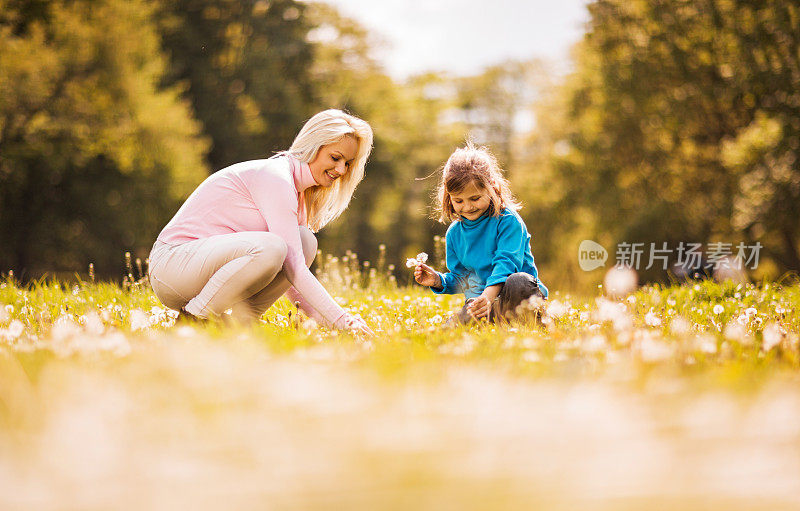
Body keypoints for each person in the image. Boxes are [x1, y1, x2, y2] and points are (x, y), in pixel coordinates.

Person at [148, 109, 373, 335]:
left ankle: (241, 321)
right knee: (273, 248)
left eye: (348, 163)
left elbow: (292, 275)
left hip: (196, 271)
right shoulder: (276, 177)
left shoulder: (298, 193)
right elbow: (293, 265)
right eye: (335, 158)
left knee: (306, 242)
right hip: (171, 268)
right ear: (314, 145)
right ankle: (193, 319)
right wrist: (344, 320)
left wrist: (331, 323)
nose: (341, 170)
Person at [413, 143, 548, 324]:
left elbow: (506, 264)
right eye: (458, 201)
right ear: (448, 197)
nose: (468, 207)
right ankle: (483, 321)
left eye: (475, 198)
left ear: (491, 186)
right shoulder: (454, 233)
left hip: (517, 297)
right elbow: (463, 277)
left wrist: (488, 295)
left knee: (519, 281)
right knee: (455, 324)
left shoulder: (508, 221)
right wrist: (438, 280)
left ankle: (535, 319)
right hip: (483, 304)